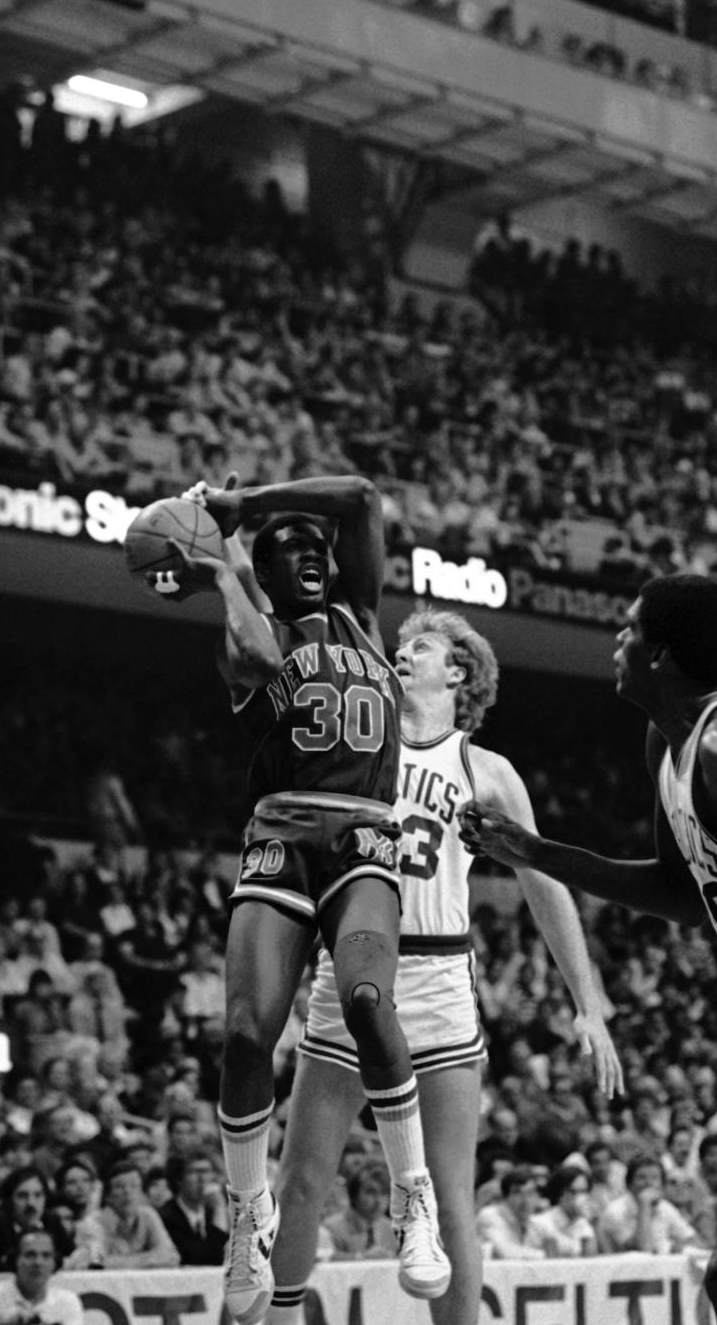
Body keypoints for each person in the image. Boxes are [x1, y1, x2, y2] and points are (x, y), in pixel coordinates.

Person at [460, 583, 717, 1325]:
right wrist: (536, 852)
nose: (616, 642)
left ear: (659, 654)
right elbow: (681, 892)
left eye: (627, 629)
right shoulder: (670, 744)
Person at [267, 608, 621, 1325]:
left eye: (418, 646)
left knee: (450, 1194)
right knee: (301, 1181)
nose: (402, 652)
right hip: (350, 970)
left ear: (457, 671)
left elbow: (545, 887)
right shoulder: (361, 745)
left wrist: (589, 1001)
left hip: (439, 982)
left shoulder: (486, 772)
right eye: (398, 646)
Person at [164, 474, 449, 1322]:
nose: (314, 555)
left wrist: (247, 502)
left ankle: (413, 1195)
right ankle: (247, 1217)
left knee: (368, 1000)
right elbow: (254, 657)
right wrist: (224, 565)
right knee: (249, 1034)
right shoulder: (251, 628)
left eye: (317, 547)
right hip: (282, 837)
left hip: (365, 837)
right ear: (265, 571)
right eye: (290, 550)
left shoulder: (365, 615)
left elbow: (359, 496)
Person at [596, 1154, 696, 1254]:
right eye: (642, 1177)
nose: (649, 1183)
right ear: (629, 1184)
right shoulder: (615, 1211)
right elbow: (642, 1250)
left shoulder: (664, 1207)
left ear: (662, 1185)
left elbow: (694, 1241)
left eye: (655, 1178)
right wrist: (644, 1206)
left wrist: (678, 1246)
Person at [97, 1158, 180, 1268]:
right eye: (119, 1187)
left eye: (134, 1185)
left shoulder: (148, 1215)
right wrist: (151, 1258)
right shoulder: (95, 1222)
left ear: (142, 1193)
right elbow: (97, 1263)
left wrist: (122, 1262)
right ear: (108, 1196)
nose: (127, 1192)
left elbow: (171, 1256)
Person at [159, 1152, 229, 1266]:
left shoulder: (212, 1214)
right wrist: (219, 1207)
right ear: (178, 1179)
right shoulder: (166, 1217)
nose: (202, 1179)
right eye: (193, 1172)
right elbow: (203, 1260)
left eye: (206, 1171)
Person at [320, 1164, 397, 1260]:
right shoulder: (330, 1228)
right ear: (354, 1195)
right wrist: (362, 1257)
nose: (379, 1201)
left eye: (384, 1193)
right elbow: (325, 1261)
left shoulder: (390, 1228)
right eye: (371, 1192)